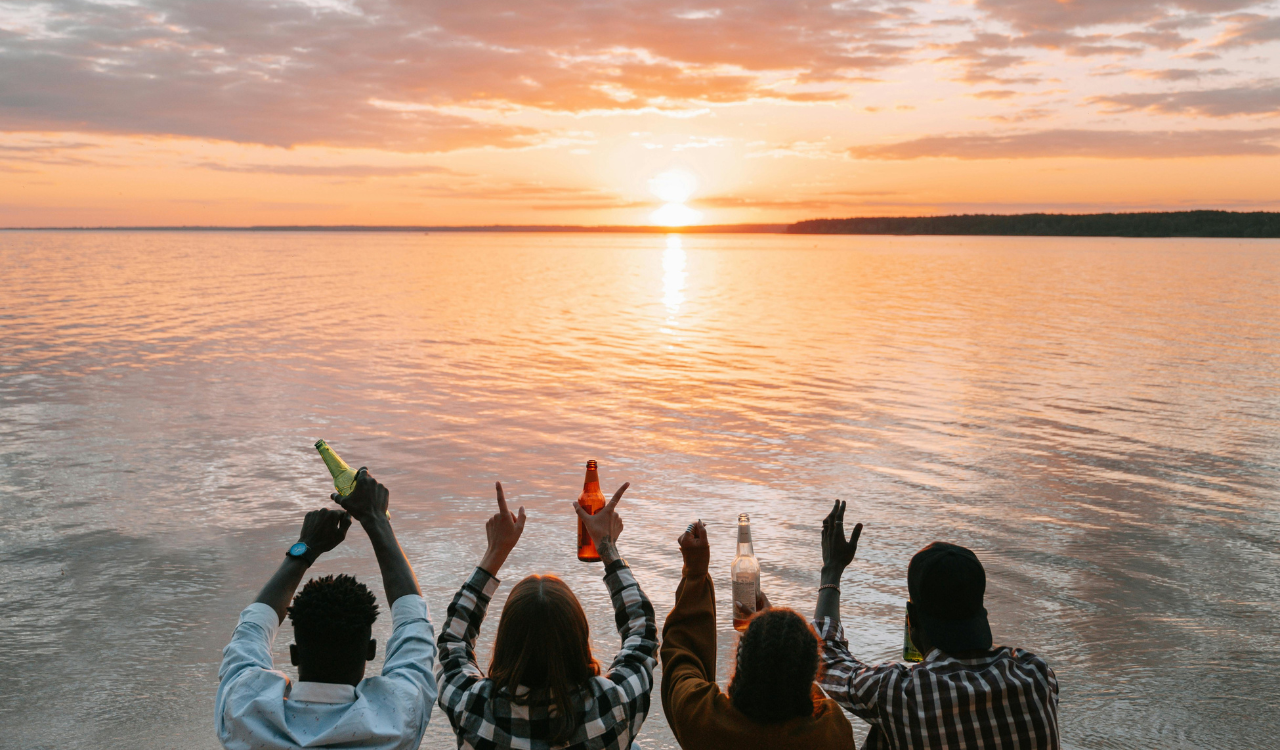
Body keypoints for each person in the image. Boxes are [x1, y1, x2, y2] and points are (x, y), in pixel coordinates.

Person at [216, 469, 437, 750]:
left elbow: (251, 632)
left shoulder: (245, 709)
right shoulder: (396, 718)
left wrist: (305, 549)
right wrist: (376, 519)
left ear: (295, 654)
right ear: (370, 650)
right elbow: (415, 626)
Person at [813, 500, 1060, 749]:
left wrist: (832, 569)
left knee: (887, 729)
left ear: (912, 617)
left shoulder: (898, 693)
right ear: (981, 611)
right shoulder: (1037, 674)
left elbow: (827, 659)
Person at [436, 481, 658, 750]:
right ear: (578, 638)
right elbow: (642, 633)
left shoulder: (474, 708)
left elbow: (452, 644)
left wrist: (495, 552)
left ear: (507, 642)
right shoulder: (611, 705)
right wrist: (606, 547)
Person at [660, 520, 855, 750]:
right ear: (810, 671)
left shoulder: (704, 721)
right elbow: (799, 683)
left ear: (741, 663)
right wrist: (775, 633)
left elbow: (682, 655)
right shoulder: (830, 732)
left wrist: (695, 572)